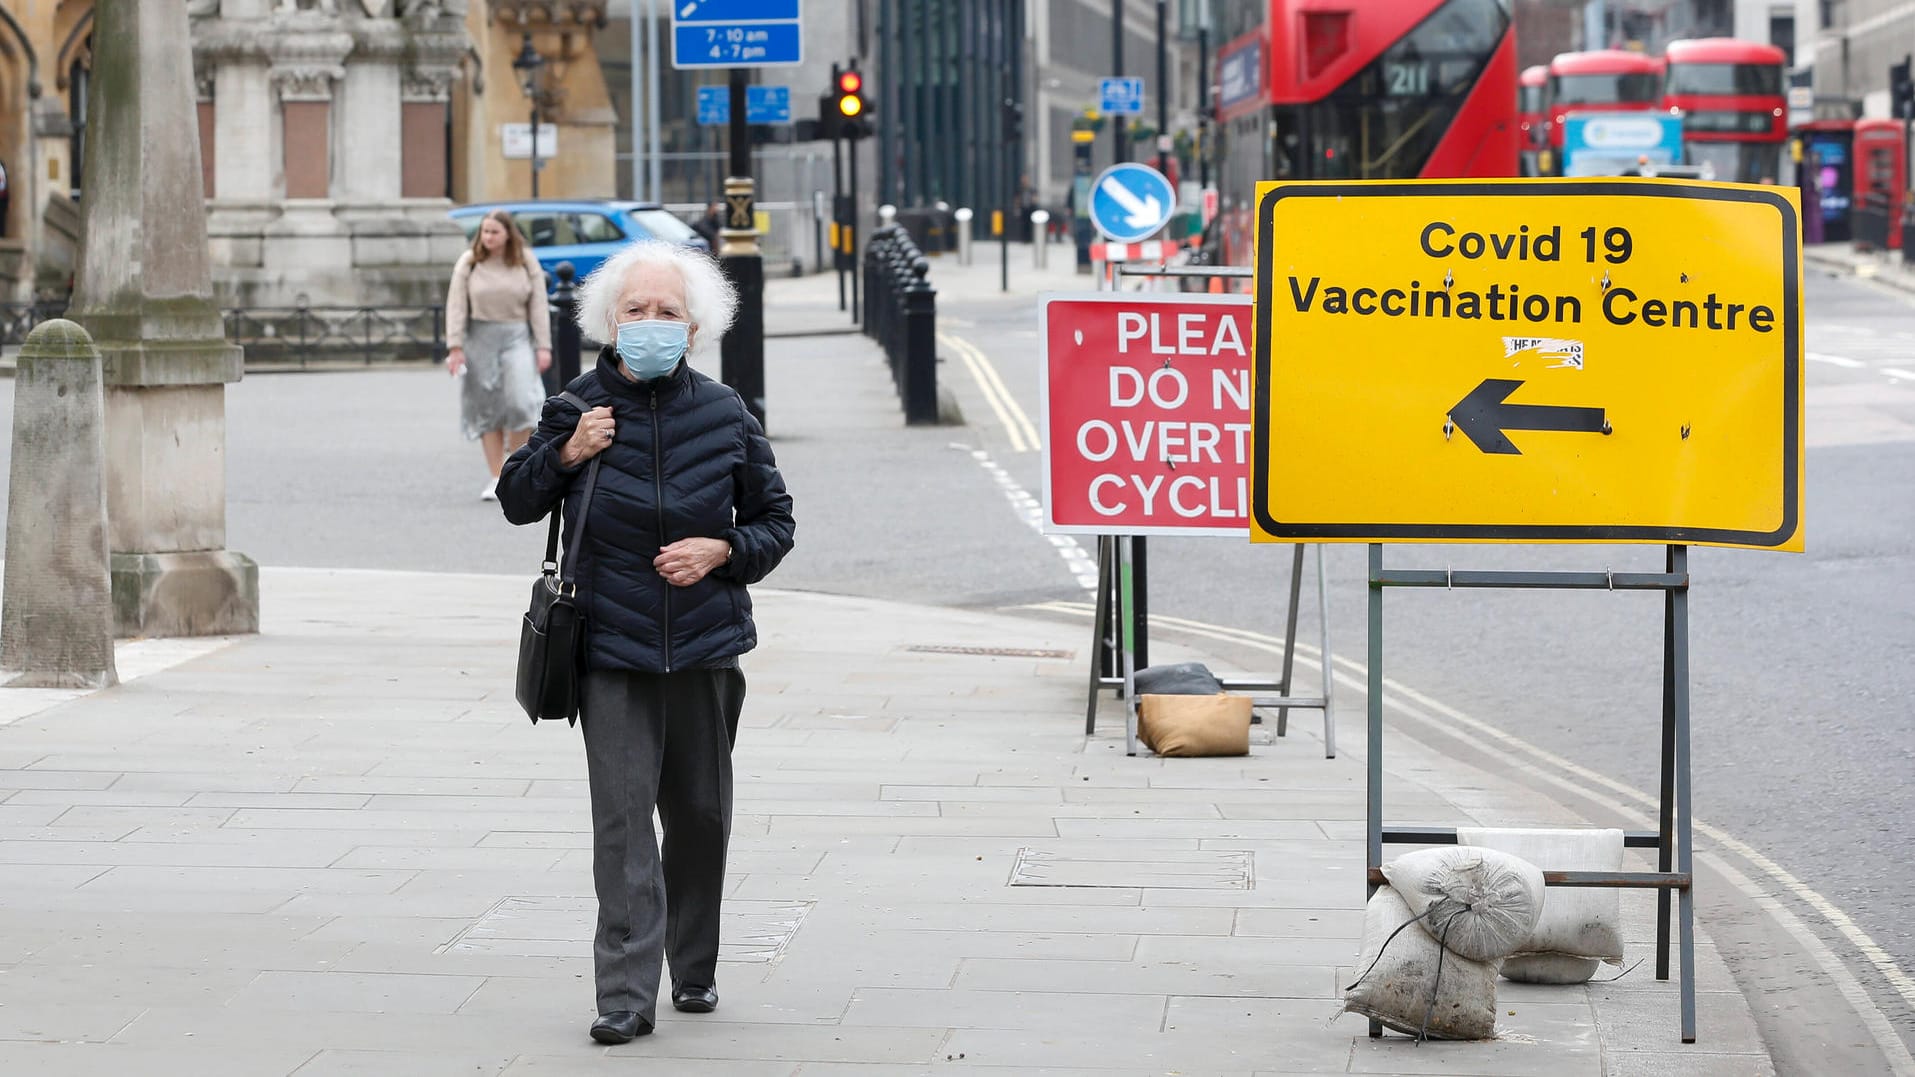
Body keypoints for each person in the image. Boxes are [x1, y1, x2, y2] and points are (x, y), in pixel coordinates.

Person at [496, 240, 795, 1045]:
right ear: (610, 320)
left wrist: (722, 551)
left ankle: (692, 968)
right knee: (624, 822)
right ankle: (625, 992)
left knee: (700, 816)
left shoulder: (726, 412)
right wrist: (565, 452)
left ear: (693, 328)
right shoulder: (577, 404)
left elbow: (776, 522)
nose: (651, 324)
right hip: (610, 648)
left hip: (704, 646)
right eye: (637, 311)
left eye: (668, 312)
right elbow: (517, 501)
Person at [445, 209, 552, 500]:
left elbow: (539, 305)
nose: (488, 237)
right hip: (479, 337)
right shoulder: (469, 263)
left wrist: (544, 345)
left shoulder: (525, 261)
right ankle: (497, 474)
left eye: (494, 232)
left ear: (508, 235)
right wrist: (455, 346)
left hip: (517, 335)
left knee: (521, 402)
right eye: (484, 232)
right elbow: (456, 305)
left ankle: (514, 471)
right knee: (487, 407)